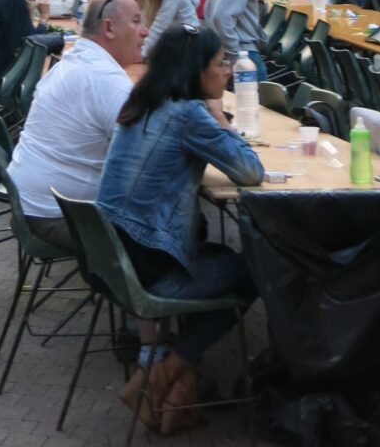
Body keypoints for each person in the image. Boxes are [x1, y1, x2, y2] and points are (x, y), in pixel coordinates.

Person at [98, 25, 263, 432]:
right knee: (256, 270)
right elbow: (250, 171)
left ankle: (175, 381)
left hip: (113, 262)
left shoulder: (142, 102)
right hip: (150, 273)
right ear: (196, 70)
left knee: (219, 254)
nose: (227, 70)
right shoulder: (189, 114)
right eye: (220, 63)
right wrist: (219, 117)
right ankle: (164, 375)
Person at [8, 0, 145, 248]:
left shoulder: (70, 61)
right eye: (136, 21)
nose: (145, 31)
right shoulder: (108, 82)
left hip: (30, 204)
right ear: (109, 28)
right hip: (58, 217)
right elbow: (146, 160)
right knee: (173, 224)